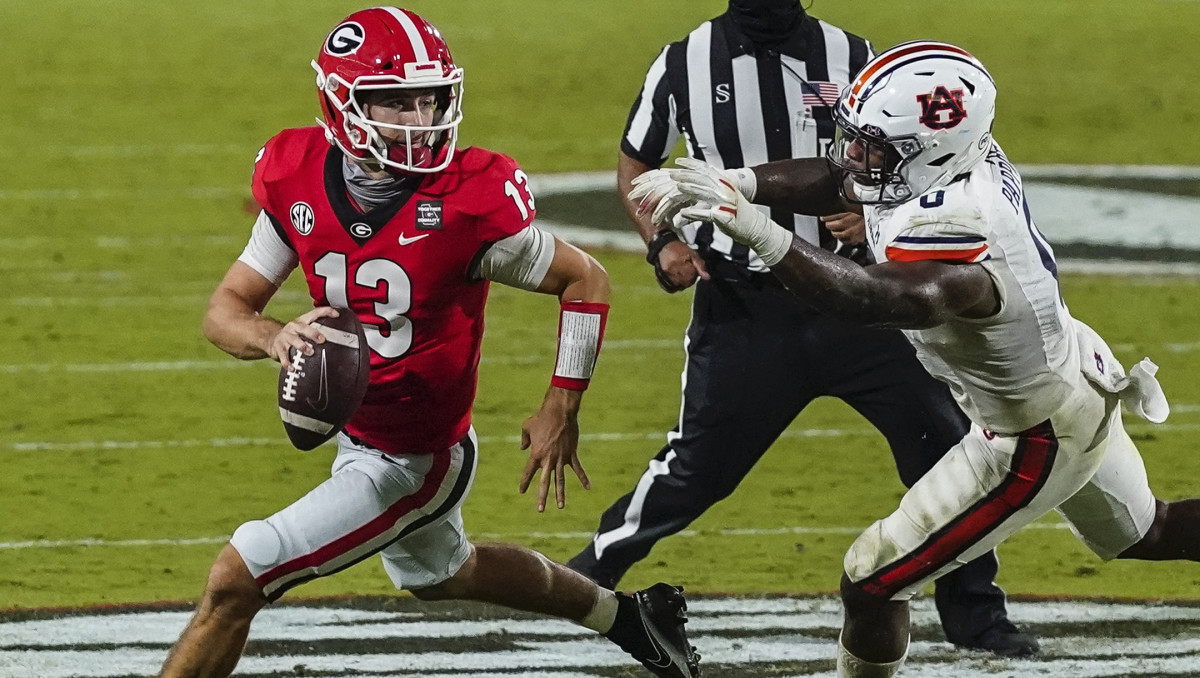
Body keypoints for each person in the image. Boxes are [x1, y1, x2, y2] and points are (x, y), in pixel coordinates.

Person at [157, 8, 700, 678]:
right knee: (447, 572)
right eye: (394, 103)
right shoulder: (295, 175)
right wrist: (276, 337)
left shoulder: (469, 199)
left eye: (429, 99)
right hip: (361, 427)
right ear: (341, 105)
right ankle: (633, 619)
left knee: (238, 576)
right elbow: (226, 310)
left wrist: (562, 404)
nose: (419, 120)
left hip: (414, 457)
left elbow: (583, 278)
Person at [632, 39, 1200, 678]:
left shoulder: (959, 217)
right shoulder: (947, 158)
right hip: (1075, 374)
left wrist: (761, 232)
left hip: (1031, 433)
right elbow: (839, 178)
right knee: (1149, 533)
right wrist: (740, 181)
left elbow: (881, 299)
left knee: (871, 582)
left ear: (928, 151)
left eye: (872, 146)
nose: (854, 158)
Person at [567, 0, 1036, 656]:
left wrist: (871, 216)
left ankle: (978, 617)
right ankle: (586, 576)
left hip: (858, 304)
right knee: (697, 470)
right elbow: (636, 164)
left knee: (945, 450)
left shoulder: (854, 55)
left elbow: (912, 159)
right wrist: (663, 242)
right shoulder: (683, 62)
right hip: (746, 310)